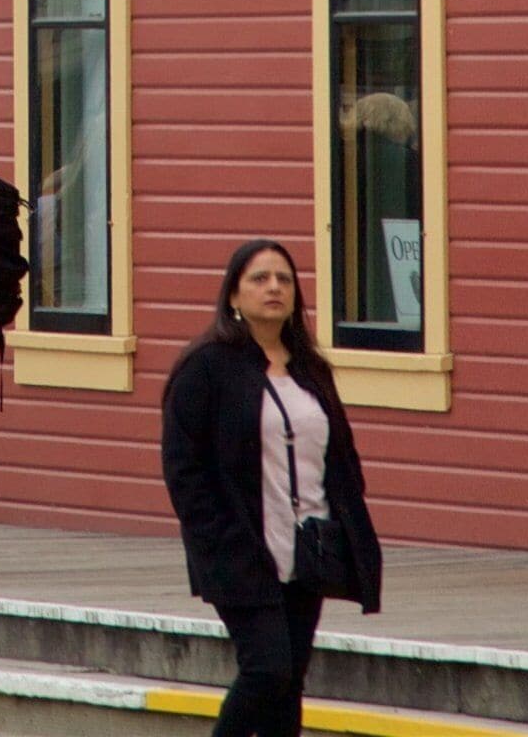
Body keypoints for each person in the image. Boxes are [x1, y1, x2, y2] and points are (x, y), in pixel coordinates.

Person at [162, 241, 382, 737]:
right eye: (259, 279)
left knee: (289, 683)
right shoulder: (206, 367)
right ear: (233, 295)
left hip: (308, 550)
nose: (274, 288)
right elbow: (183, 467)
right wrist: (216, 535)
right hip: (241, 550)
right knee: (267, 670)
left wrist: (346, 522)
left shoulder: (310, 368)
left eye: (283, 278)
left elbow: (340, 455)